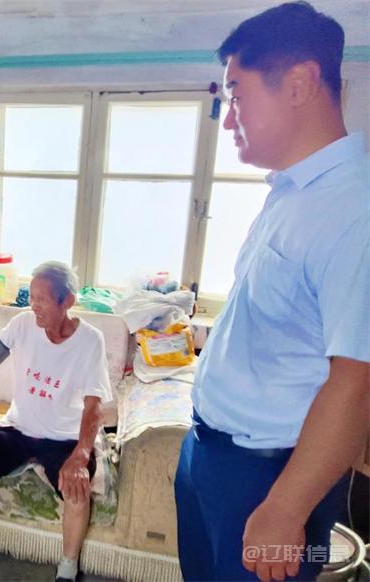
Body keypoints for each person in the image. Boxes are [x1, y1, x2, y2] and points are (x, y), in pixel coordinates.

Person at [175, 3, 370, 581]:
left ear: (300, 84)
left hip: (268, 477)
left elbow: (357, 379)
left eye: (236, 95)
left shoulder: (353, 209)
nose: (227, 119)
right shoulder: (291, 193)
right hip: (211, 452)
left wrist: (286, 508)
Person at [0, 261, 112, 582]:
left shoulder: (90, 340)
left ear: (67, 301)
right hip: (18, 429)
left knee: (77, 491)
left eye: (42, 299)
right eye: (31, 297)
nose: (34, 305)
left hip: (64, 437)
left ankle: (67, 572)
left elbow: (93, 405)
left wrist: (81, 454)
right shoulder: (21, 324)